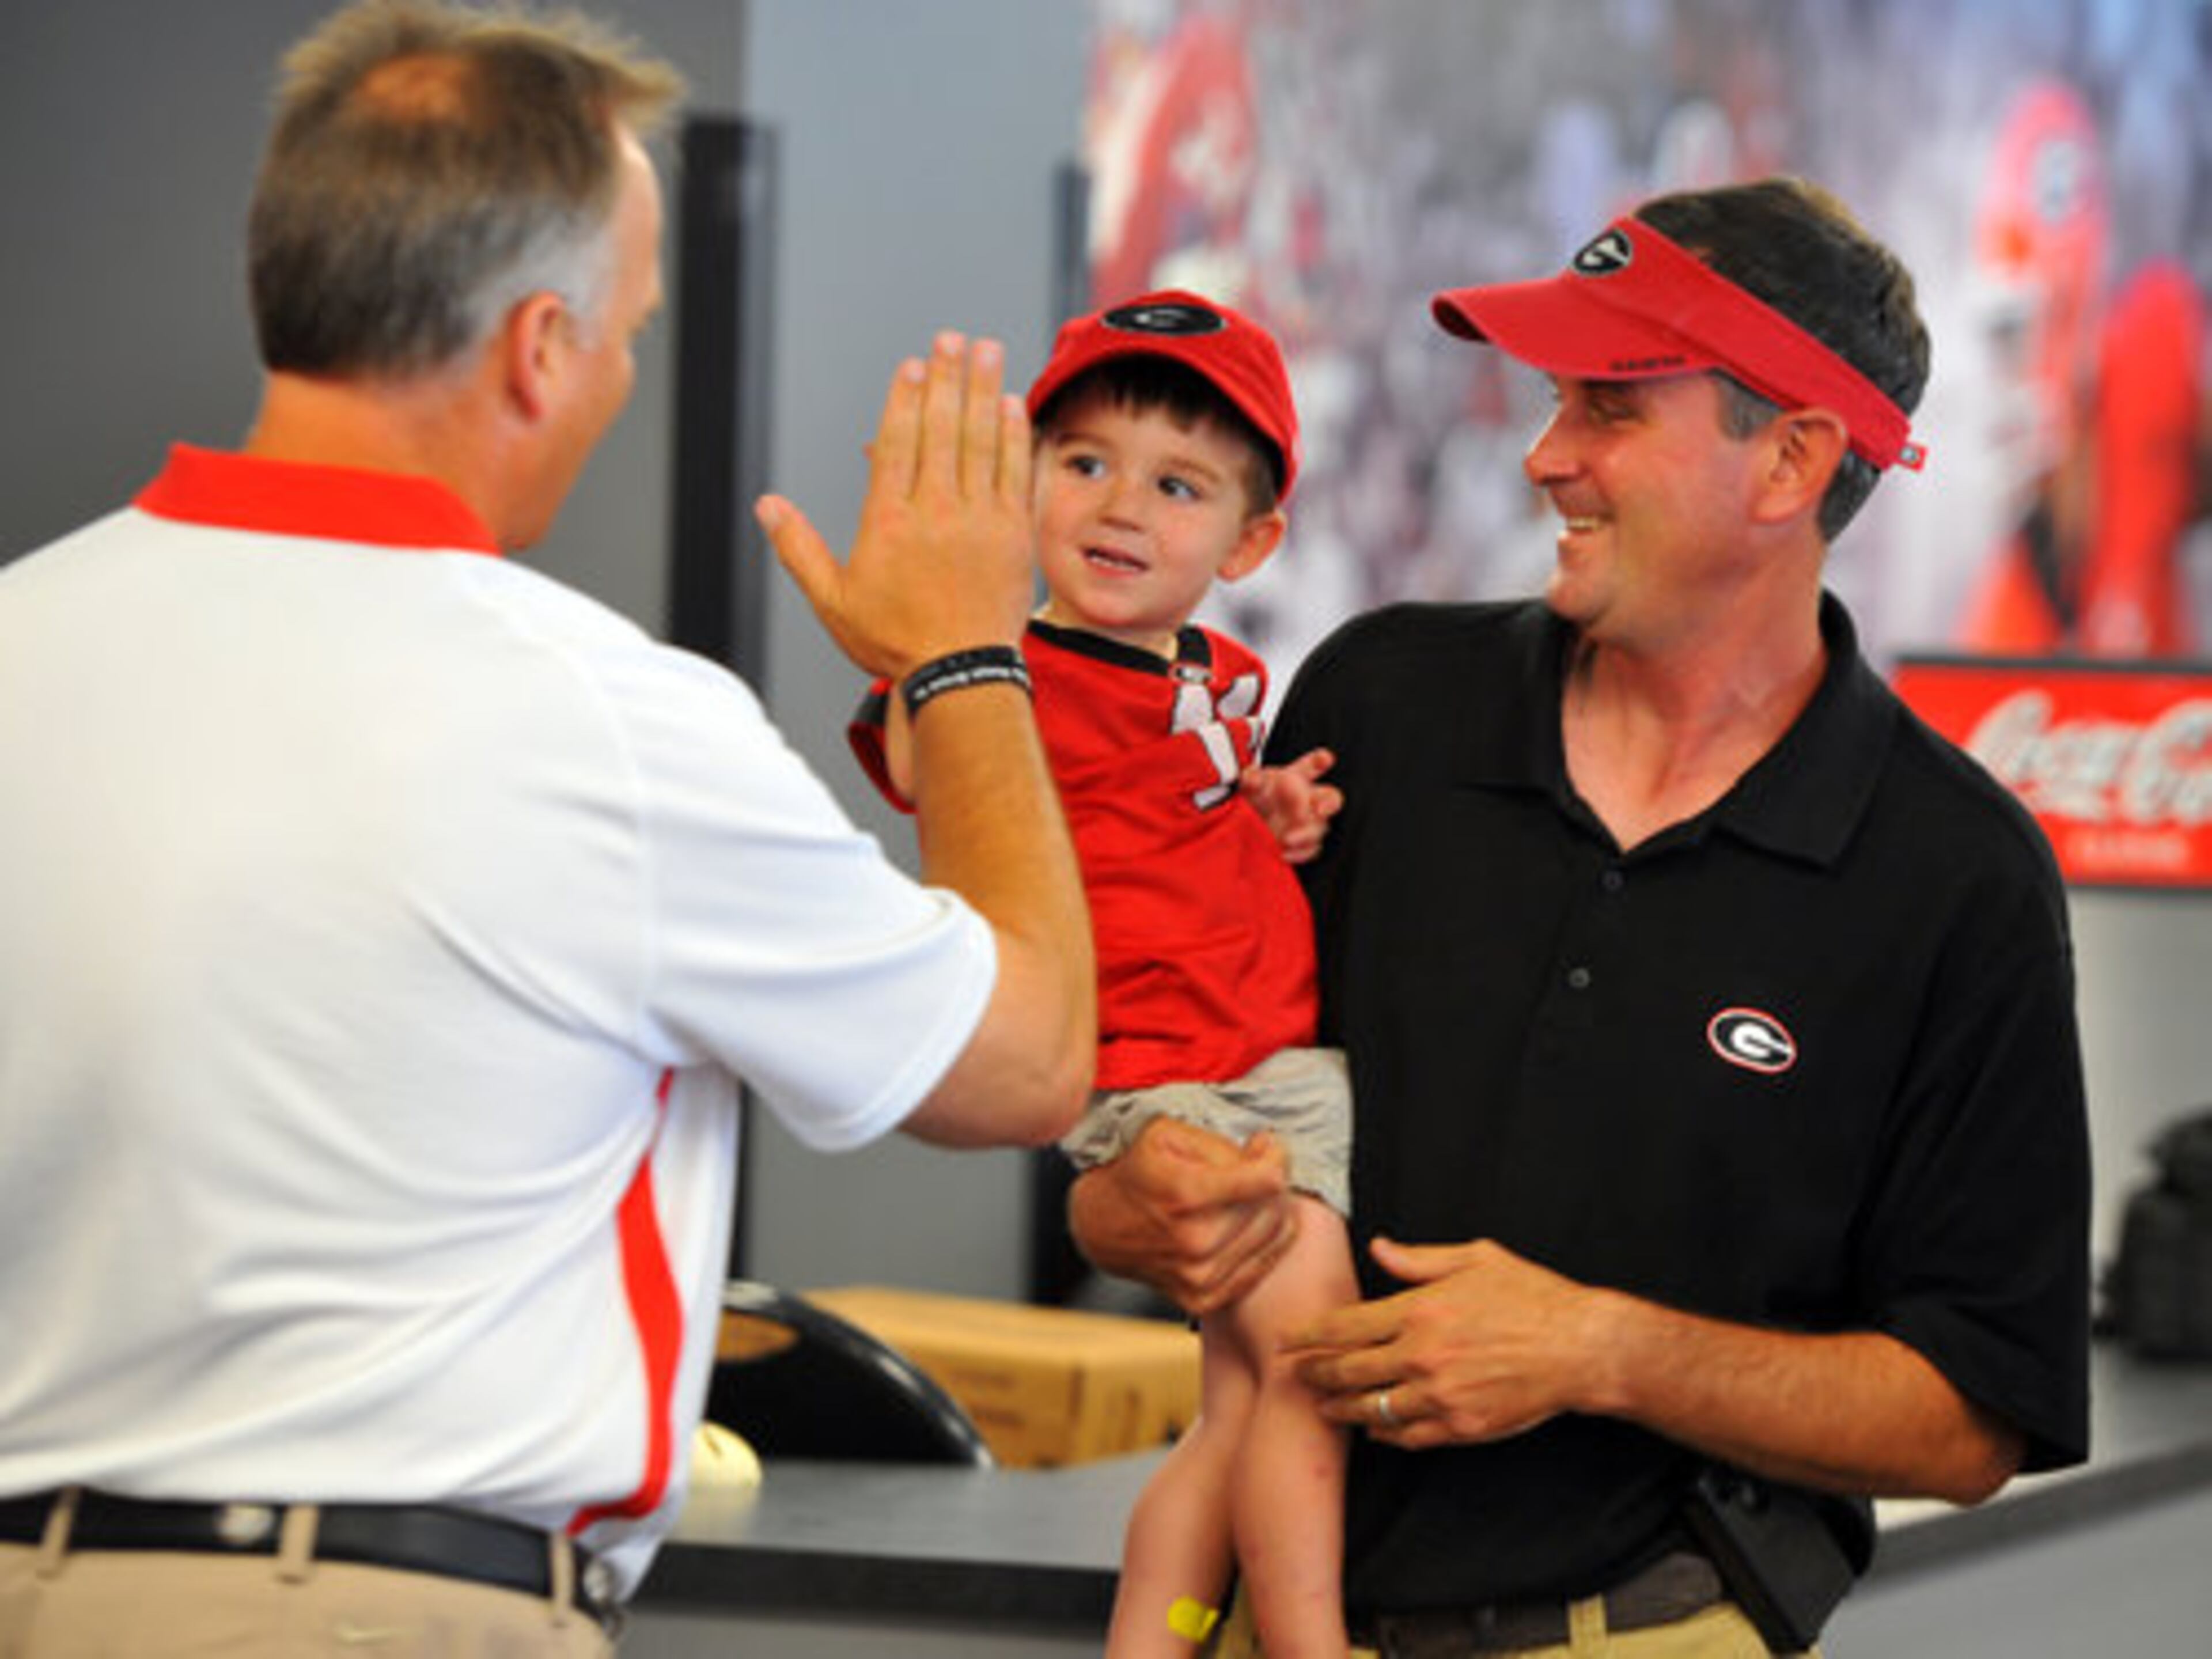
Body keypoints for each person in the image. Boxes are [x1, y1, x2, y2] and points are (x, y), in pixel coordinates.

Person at [0, 3, 1093, 1655]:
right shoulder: (605, 721)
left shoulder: (24, 638)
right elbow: (1023, 1057)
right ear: (537, 348)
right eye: (628, 330)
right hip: (369, 1615)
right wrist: (964, 651)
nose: (624, 371)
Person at [1070, 178, 2092, 1659]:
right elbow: (1171, 1097)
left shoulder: (1956, 875)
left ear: (1791, 459)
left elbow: (1973, 1418)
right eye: (1558, 401)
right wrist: (1125, 1204)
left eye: (1610, 408)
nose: (1548, 456)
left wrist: (1601, 1352)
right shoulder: (1378, 706)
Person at [850, 291, 1355, 1658]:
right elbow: (923, 767)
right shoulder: (1001, 671)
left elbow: (1182, 822)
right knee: (1313, 1368)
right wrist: (920, 655)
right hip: (1167, 1076)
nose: (1122, 506)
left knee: (1244, 1404)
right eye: (1085, 463)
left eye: (1177, 484)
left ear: (1251, 539)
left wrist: (1271, 816)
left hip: (1275, 1058)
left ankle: (1156, 1641)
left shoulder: (1230, 675)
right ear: (1021, 484)